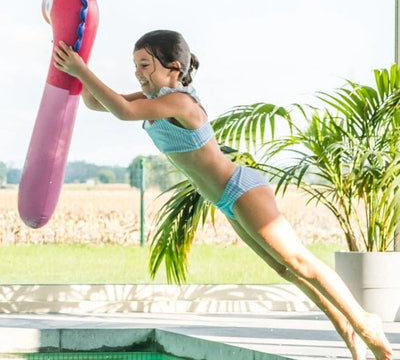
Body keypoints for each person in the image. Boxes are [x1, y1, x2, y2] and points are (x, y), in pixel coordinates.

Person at [53, 30, 392, 360]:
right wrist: (80, 63)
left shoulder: (180, 101)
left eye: (144, 64)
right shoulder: (155, 100)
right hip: (226, 198)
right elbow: (98, 102)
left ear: (173, 67)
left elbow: (122, 111)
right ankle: (348, 333)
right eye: (135, 65)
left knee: (301, 261)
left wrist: (80, 70)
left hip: (241, 189)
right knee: (286, 270)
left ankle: (365, 323)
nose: (137, 73)